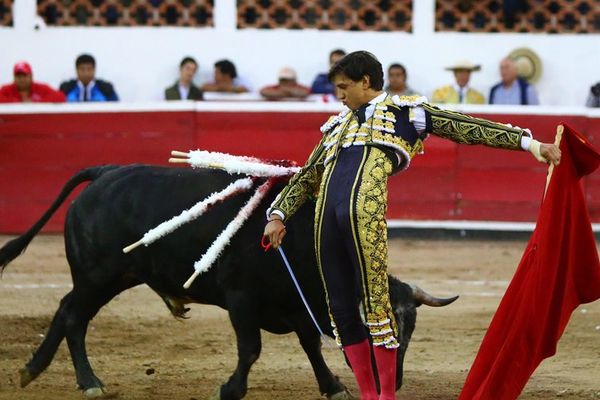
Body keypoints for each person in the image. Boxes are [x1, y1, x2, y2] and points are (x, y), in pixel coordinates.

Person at [263, 51, 560, 400]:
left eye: (345, 87)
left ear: (366, 82)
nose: (340, 95)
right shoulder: (334, 127)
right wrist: (277, 214)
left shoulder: (408, 113)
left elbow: (465, 127)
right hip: (324, 223)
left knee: (377, 304)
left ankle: (386, 396)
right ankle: (369, 395)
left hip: (364, 219)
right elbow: (308, 176)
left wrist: (530, 144)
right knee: (340, 309)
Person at [0, 61, 65, 103]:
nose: (22, 79)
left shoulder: (41, 88)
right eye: (19, 76)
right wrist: (18, 103)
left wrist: (36, 103)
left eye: (25, 75)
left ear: (31, 76)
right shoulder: (6, 89)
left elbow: (60, 96)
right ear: (14, 77)